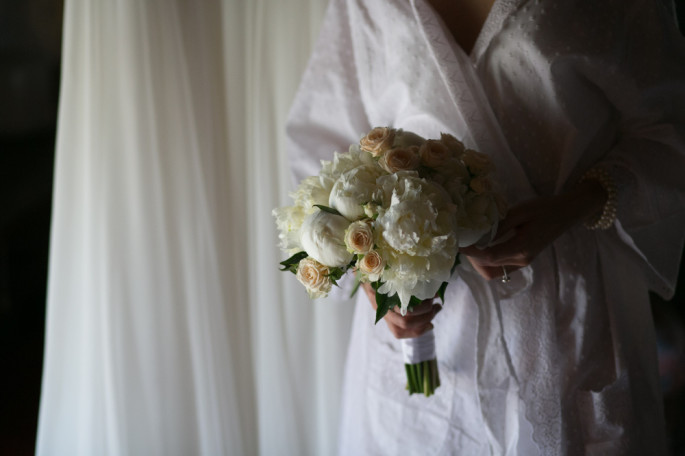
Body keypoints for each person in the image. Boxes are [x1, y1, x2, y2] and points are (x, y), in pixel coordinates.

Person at [286, 0, 685, 454]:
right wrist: (369, 273)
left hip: (567, 315)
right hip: (421, 326)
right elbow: (322, 141)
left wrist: (577, 204)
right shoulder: (367, 7)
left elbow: (672, 127)